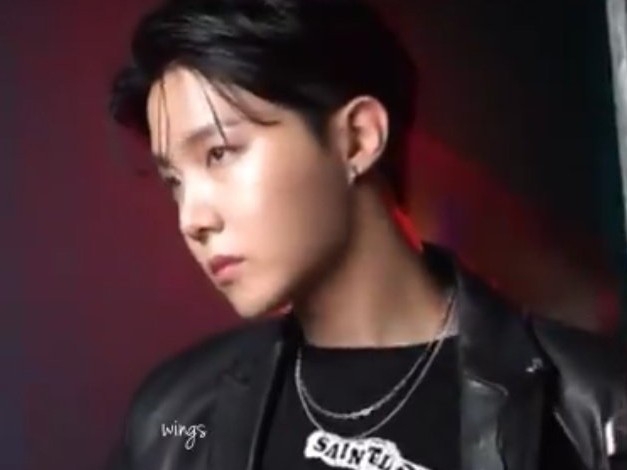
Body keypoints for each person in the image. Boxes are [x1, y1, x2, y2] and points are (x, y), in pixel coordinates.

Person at [106, 0, 627, 468]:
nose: (191, 219)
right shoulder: (176, 418)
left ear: (358, 138)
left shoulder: (592, 411)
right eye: (174, 181)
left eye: (219, 154)